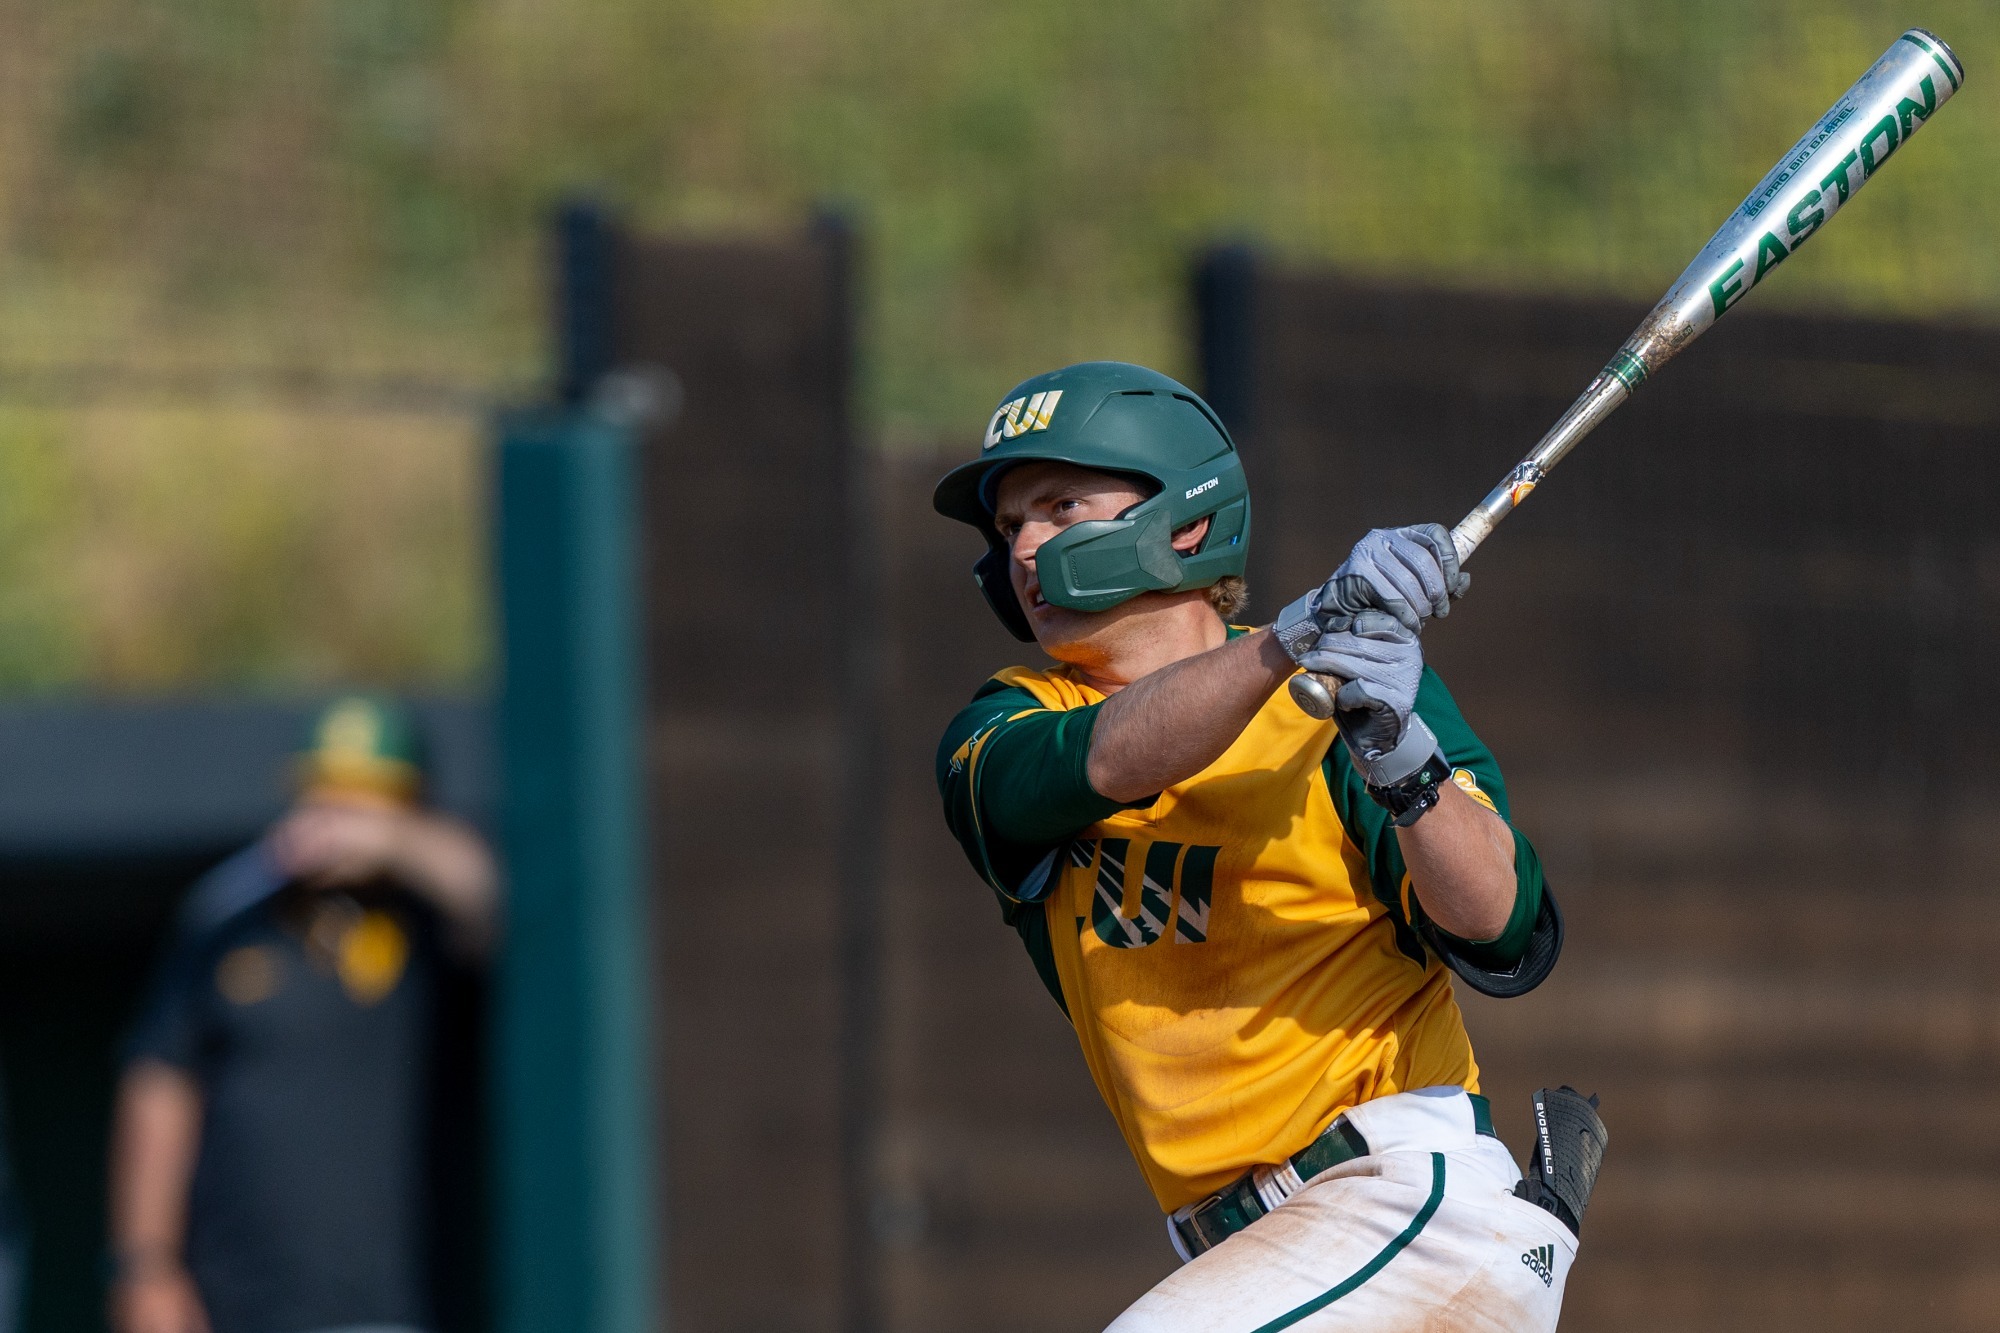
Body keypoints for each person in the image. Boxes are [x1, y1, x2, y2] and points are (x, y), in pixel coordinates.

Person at [934, 363, 1596, 1331]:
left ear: (1185, 524)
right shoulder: (1005, 723)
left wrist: (1402, 766)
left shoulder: (1337, 705)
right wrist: (1295, 638)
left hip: (1403, 1203)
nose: (1025, 548)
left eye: (1060, 506)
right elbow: (1107, 757)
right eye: (1007, 528)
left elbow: (1500, 928)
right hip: (1251, 1253)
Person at [108, 696, 498, 1333]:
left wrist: (395, 840)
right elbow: (159, 1082)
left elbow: (494, 896)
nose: (337, 819)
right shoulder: (231, 917)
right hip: (239, 1309)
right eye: (324, 794)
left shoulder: (435, 922)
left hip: (400, 1311)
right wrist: (145, 1267)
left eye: (364, 797)